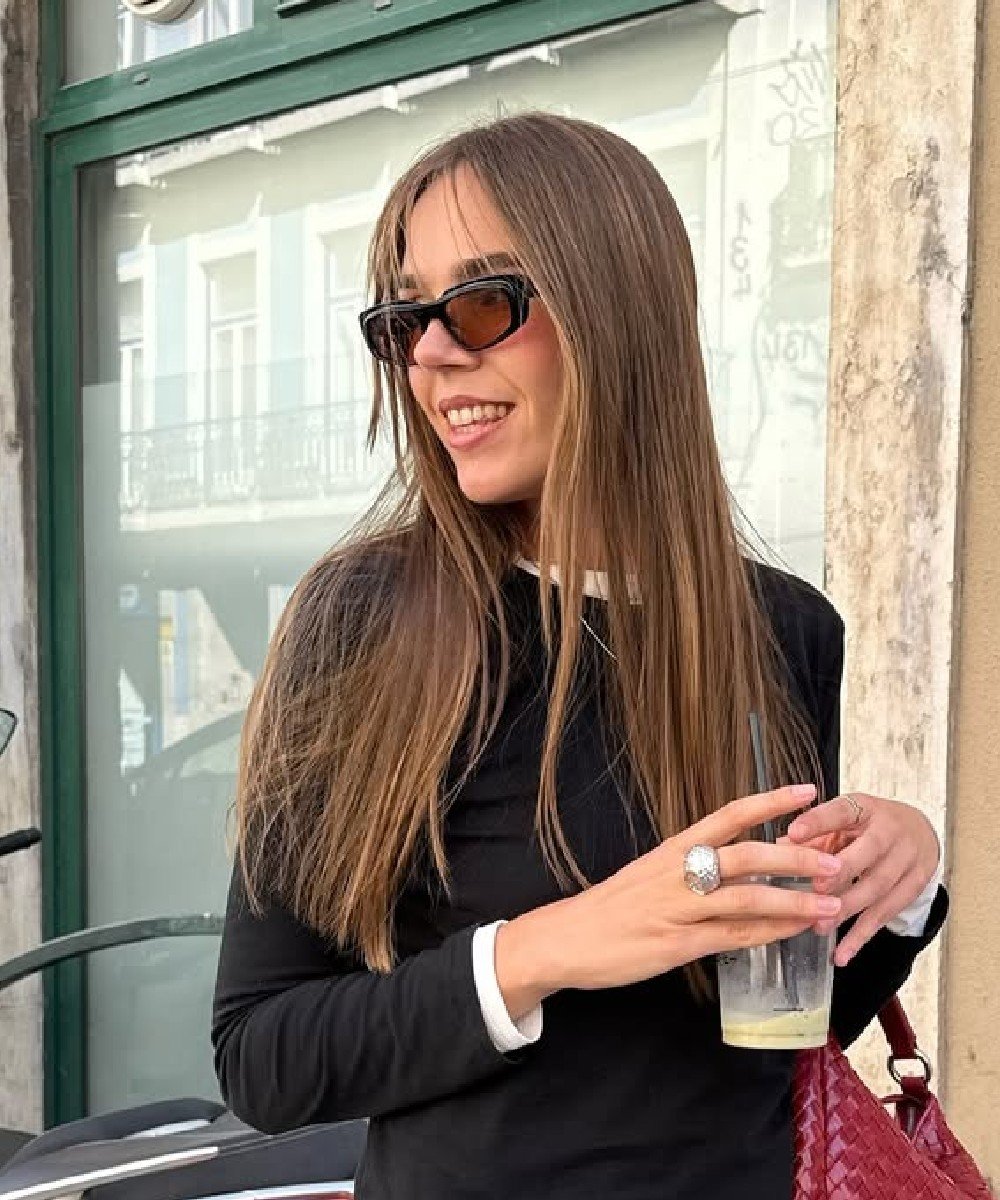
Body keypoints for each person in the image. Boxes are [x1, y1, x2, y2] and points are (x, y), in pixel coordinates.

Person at [211, 112, 946, 1199]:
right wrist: (555, 946)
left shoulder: (787, 629)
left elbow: (783, 1026)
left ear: (619, 310)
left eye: (480, 301)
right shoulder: (366, 619)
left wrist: (901, 881)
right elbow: (263, 1055)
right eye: (406, 316)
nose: (431, 352)